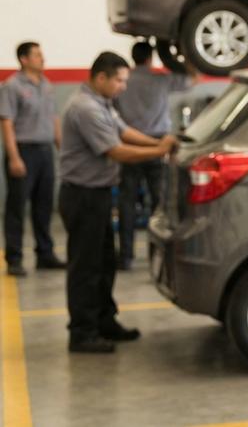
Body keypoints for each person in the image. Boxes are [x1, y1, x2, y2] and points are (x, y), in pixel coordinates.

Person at [59, 52, 177, 353]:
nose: (124, 86)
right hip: (83, 196)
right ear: (101, 78)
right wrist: (159, 151)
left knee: (104, 263)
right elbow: (116, 151)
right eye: (120, 81)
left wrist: (159, 142)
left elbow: (125, 132)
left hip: (96, 195)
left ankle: (104, 321)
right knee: (85, 268)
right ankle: (82, 333)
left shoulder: (102, 103)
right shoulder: (86, 108)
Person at [113, 41, 194, 269]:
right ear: (151, 58)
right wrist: (170, 54)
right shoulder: (161, 79)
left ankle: (126, 256)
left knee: (127, 202)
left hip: (129, 144)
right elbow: (192, 78)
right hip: (159, 144)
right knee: (159, 204)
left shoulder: (123, 81)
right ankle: (157, 255)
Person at [0, 41, 65, 276]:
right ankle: (14, 258)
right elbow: (6, 123)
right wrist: (14, 158)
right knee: (17, 207)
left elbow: (54, 119)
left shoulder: (46, 85)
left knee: (44, 205)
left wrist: (62, 150)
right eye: (37, 55)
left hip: (45, 151)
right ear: (24, 59)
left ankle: (45, 254)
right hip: (23, 150)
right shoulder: (12, 86)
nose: (42, 58)